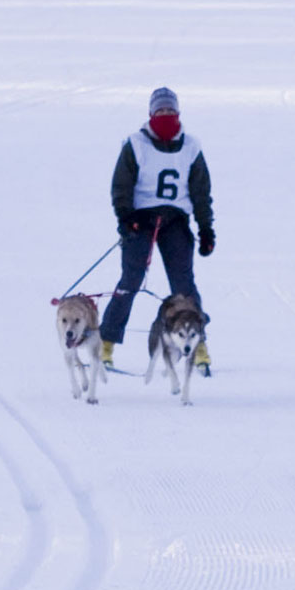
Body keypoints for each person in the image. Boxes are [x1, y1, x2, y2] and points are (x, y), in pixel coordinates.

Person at [100, 86, 215, 375]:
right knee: (131, 279)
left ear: (178, 113)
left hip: (175, 221)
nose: (166, 115)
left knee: (184, 287)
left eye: (170, 110)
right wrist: (125, 218)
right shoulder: (136, 144)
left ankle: (199, 346)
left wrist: (206, 230)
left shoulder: (191, 147)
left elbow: (201, 193)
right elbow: (121, 187)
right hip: (141, 221)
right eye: (160, 110)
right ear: (151, 114)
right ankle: (106, 344)